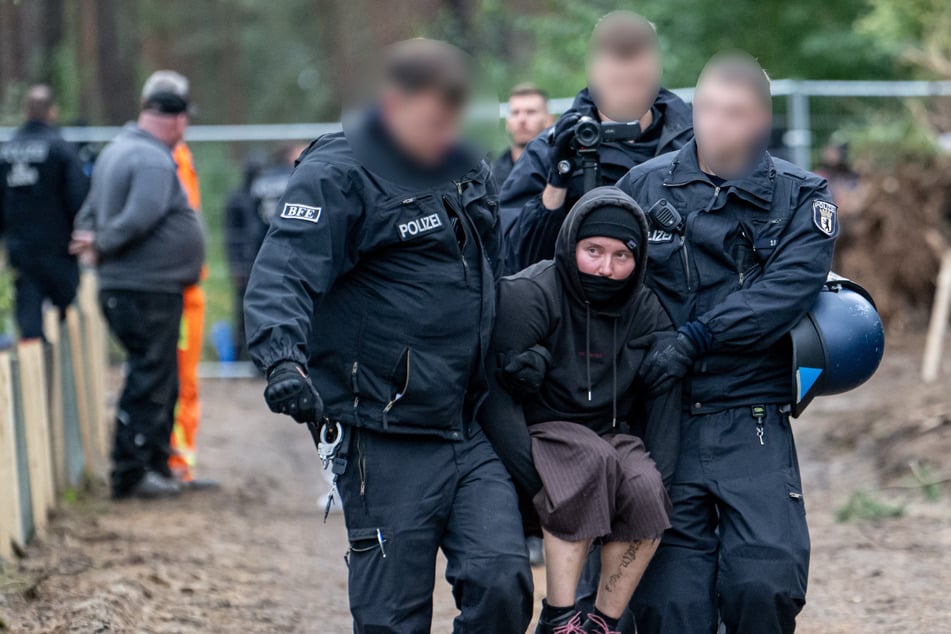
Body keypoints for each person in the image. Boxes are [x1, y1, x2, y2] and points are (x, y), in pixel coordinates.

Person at [243, 39, 532, 632]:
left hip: (468, 420)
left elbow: (491, 274)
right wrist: (283, 361)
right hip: (383, 431)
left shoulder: (463, 165)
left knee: (503, 581)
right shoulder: (339, 171)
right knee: (392, 618)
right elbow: (283, 271)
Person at [615, 53, 838, 633]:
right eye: (708, 109)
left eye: (734, 114)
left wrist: (695, 337)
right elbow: (596, 275)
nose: (716, 125)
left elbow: (783, 292)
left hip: (751, 411)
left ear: (761, 120)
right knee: (670, 608)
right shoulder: (642, 186)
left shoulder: (804, 197)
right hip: (664, 416)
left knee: (765, 583)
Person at [480, 186, 680, 634]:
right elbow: (494, 396)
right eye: (593, 251)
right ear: (571, 245)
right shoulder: (530, 294)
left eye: (620, 256)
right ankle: (559, 617)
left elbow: (665, 394)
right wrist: (534, 481)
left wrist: (663, 480)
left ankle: (601, 622)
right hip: (541, 430)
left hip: (610, 431)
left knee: (646, 488)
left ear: (638, 259)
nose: (606, 270)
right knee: (587, 462)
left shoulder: (645, 308)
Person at [71, 71, 205, 500]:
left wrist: (92, 241)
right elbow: (140, 216)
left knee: (153, 375)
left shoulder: (116, 151)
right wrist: (104, 243)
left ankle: (154, 461)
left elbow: (89, 213)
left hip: (137, 287)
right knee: (149, 378)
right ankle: (132, 471)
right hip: (145, 289)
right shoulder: (150, 158)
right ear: (177, 120)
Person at [502, 11, 693, 272]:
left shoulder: (695, 143)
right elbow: (515, 259)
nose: (627, 73)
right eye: (616, 59)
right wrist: (557, 182)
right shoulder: (551, 148)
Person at [0, 85, 88, 340]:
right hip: (58, 247)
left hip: (20, 248)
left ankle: (34, 369)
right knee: (65, 313)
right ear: (52, 111)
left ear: (26, 112)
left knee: (29, 315)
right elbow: (78, 197)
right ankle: (60, 370)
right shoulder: (61, 149)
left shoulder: (6, 151)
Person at [224, 144, 303, 360]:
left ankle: (261, 357)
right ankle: (245, 357)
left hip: (260, 256)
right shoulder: (240, 197)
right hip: (253, 259)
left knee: (263, 309)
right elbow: (234, 234)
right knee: (248, 312)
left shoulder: (259, 190)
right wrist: (237, 265)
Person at [492, 83, 552, 189]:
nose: (521, 119)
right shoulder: (490, 175)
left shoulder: (560, 171)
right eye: (515, 113)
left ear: (548, 120)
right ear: (507, 122)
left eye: (531, 112)